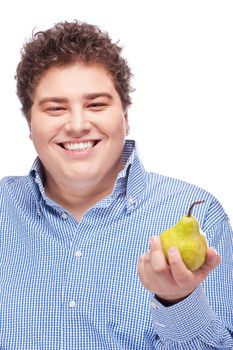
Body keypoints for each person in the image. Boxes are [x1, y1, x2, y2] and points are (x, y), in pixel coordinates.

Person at [0, 20, 232, 350]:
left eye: (96, 104)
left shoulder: (199, 215)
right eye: (55, 108)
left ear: (124, 117)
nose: (78, 125)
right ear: (29, 124)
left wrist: (178, 299)